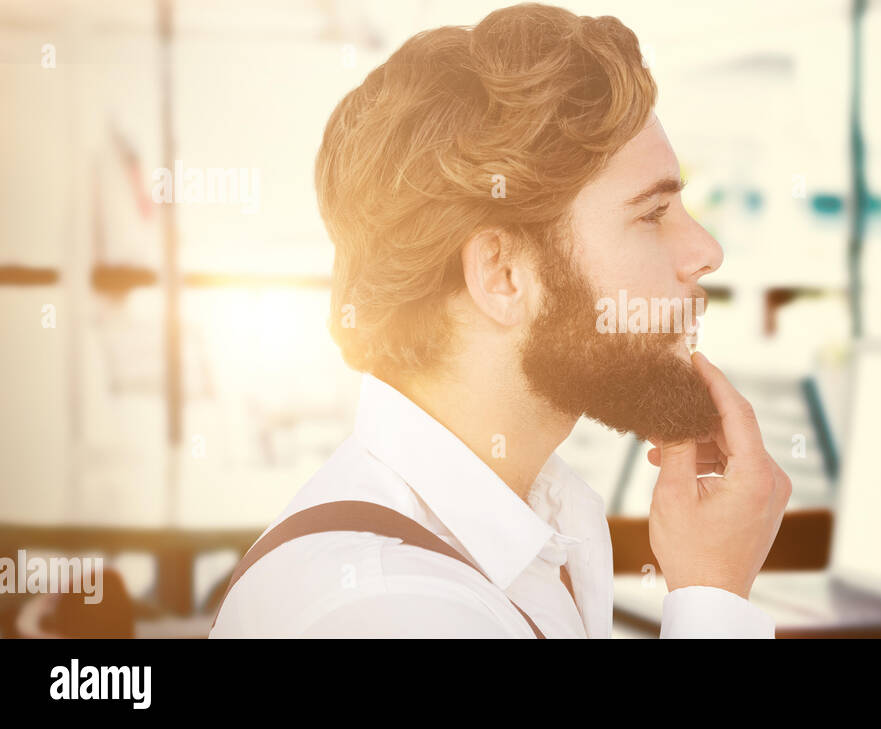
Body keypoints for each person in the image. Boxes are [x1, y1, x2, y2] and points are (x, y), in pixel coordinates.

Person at [210, 2, 791, 638]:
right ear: (502, 275)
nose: (706, 252)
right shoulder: (386, 612)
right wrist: (712, 594)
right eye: (651, 215)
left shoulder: (543, 524)